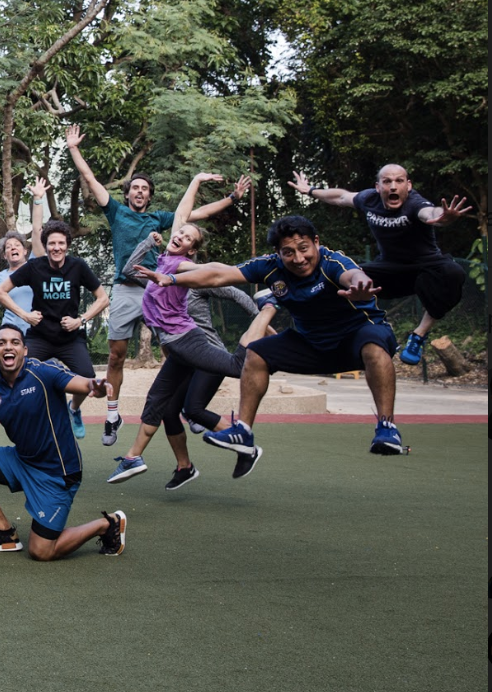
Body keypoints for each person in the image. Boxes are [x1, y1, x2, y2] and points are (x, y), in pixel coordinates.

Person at [136, 214, 401, 459]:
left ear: (316, 243)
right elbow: (218, 275)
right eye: (288, 252)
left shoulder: (332, 262)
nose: (298, 258)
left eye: (304, 248)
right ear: (278, 252)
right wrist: (172, 279)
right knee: (256, 353)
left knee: (373, 346)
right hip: (312, 343)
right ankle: (243, 432)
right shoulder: (269, 267)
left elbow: (352, 274)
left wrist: (359, 283)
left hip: (355, 336)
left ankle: (387, 428)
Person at [65, 123, 247, 446]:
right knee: (116, 355)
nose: (139, 191)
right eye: (135, 187)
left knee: (174, 350)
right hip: (126, 288)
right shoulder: (116, 212)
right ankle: (112, 416)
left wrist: (231, 198)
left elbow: (194, 213)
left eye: (144, 189)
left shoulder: (159, 219)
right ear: (128, 193)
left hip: (159, 290)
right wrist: (74, 149)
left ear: (149, 195)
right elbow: (91, 180)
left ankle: (191, 408)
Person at [104, 174, 277, 486]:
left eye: (186, 238)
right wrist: (148, 243)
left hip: (188, 340)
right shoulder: (160, 265)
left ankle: (269, 308)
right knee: (158, 401)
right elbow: (128, 269)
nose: (180, 235)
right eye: (179, 232)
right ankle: (133, 458)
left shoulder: (182, 266)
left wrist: (249, 272)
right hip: (177, 349)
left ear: (190, 250)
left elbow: (211, 272)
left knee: (236, 367)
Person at [0, 325, 127, 560]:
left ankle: (107, 525)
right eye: (2, 342)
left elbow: (83, 383)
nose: (8, 347)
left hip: (58, 473)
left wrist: (95, 386)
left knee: (41, 551)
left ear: (24, 350)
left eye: (15, 342)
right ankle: (4, 533)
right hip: (22, 461)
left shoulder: (44, 372)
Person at [290, 166, 471, 365]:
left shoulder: (415, 203)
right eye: (387, 181)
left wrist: (443, 217)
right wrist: (310, 190)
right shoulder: (369, 199)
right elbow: (341, 197)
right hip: (390, 269)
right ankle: (353, 332)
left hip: (427, 267)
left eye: (399, 181)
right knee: (343, 277)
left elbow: (430, 213)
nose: (393, 186)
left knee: (454, 272)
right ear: (378, 187)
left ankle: (418, 335)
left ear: (408, 185)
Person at [0, 219, 109, 438]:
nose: (56, 248)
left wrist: (80, 320)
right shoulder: (34, 267)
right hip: (40, 336)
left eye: (61, 243)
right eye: (52, 243)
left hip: (70, 337)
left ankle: (73, 409)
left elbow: (103, 298)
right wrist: (25, 315)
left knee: (87, 376)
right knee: (19, 373)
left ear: (67, 245)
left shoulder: (78, 266)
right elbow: (0, 292)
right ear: (45, 246)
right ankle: (26, 417)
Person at [0, 177, 48, 337]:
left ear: (25, 251)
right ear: (4, 255)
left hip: (38, 332)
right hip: (11, 333)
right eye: (8, 247)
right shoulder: (1, 277)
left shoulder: (35, 264)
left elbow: (37, 231)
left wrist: (38, 199)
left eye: (17, 245)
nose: (13, 248)